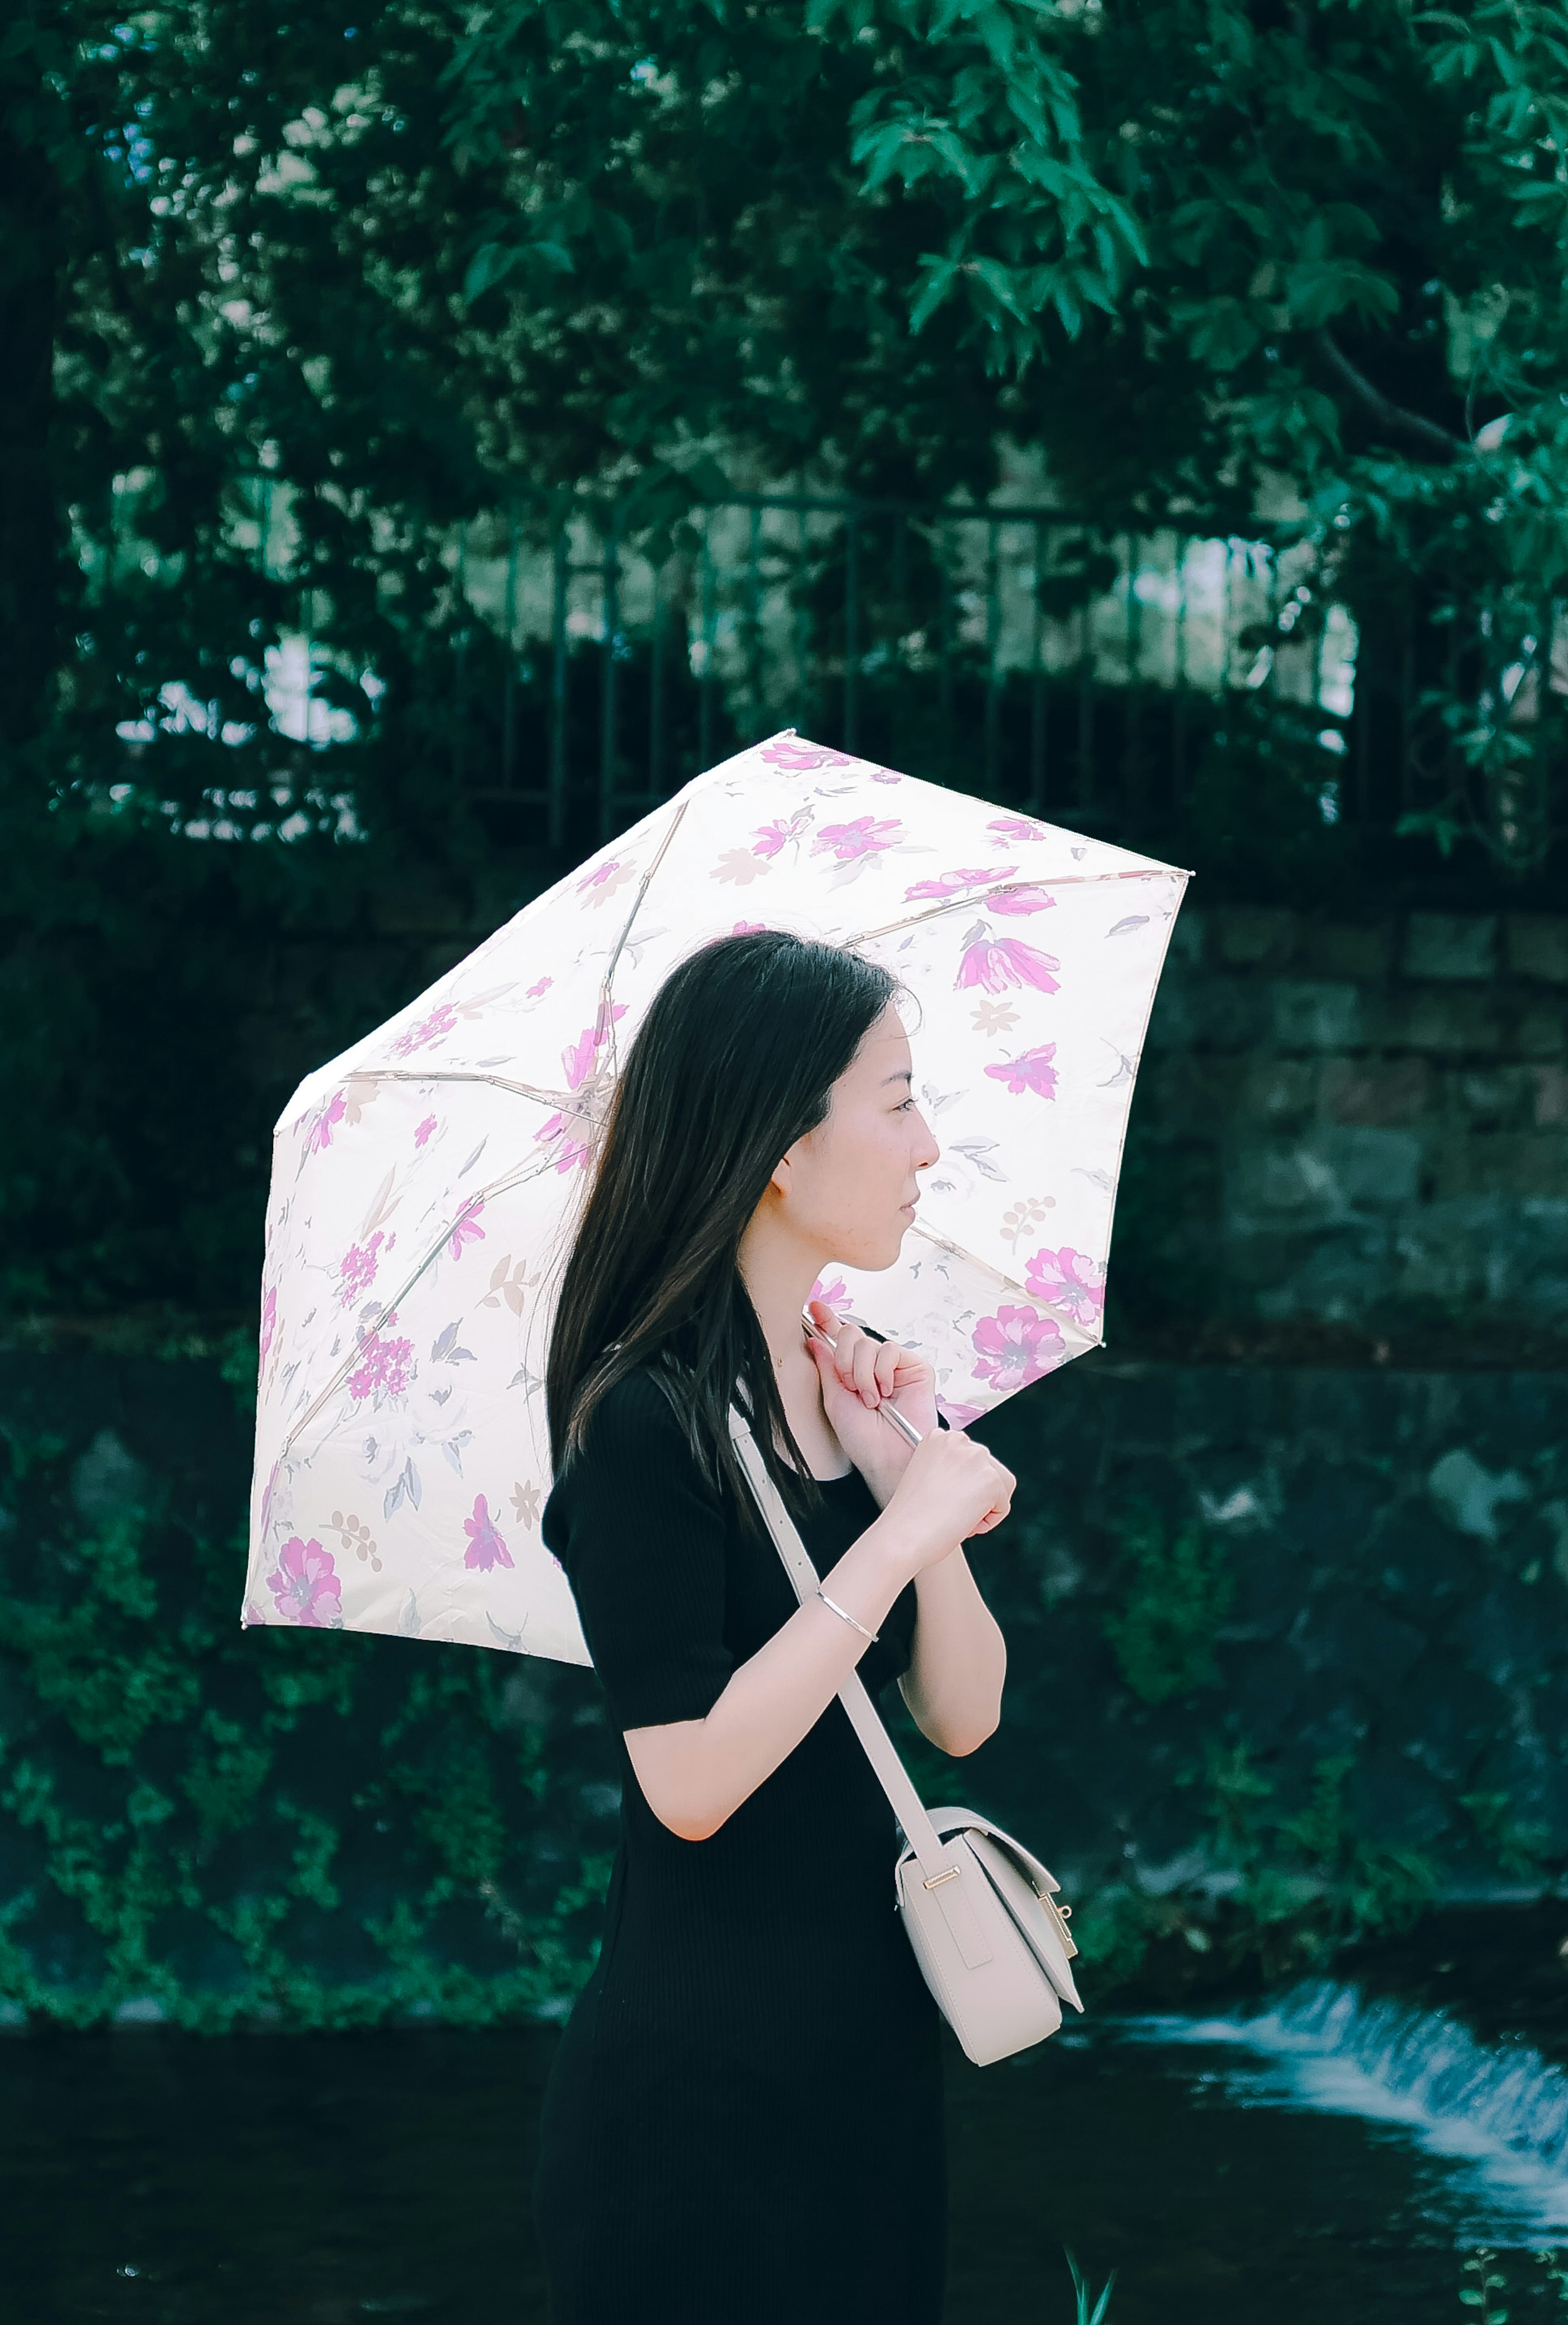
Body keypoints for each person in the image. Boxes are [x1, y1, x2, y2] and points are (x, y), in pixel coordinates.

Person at [534, 928, 1018, 2325]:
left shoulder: (829, 1386)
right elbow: (685, 1781)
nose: (928, 1145)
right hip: (697, 2104)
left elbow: (966, 1713)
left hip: (868, 2064)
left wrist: (896, 1466)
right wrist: (906, 1530)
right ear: (782, 1149)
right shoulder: (644, 1422)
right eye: (900, 1097)